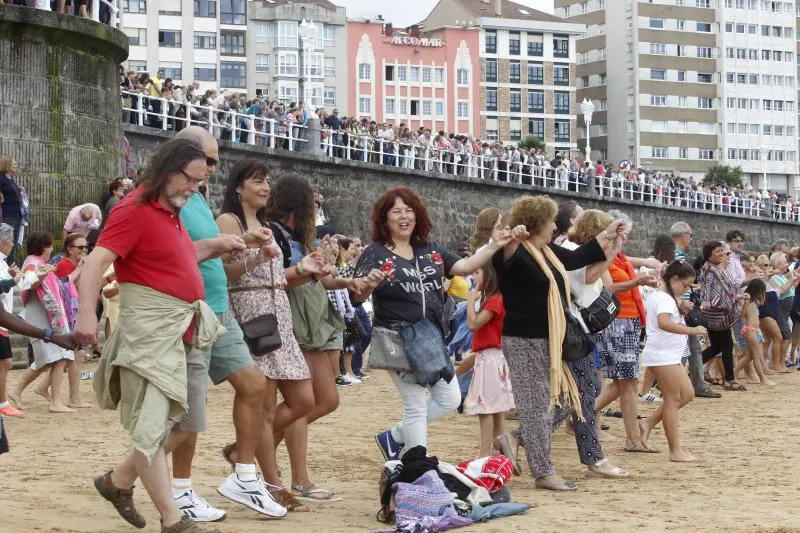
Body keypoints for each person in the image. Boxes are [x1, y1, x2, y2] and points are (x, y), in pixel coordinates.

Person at [74, 137, 249, 533]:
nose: (195, 189)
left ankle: (118, 481)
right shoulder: (133, 209)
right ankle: (174, 520)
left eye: (200, 183)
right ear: (169, 170)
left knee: (185, 425)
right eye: (191, 180)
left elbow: (184, 254)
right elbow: (96, 260)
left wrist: (222, 245)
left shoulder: (172, 210)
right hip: (151, 335)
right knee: (151, 427)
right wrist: (87, 315)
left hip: (185, 330)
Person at [173, 129, 286, 522]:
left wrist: (246, 246)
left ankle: (243, 474)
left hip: (219, 309)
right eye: (206, 159)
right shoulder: (168, 199)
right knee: (190, 410)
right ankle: (180, 489)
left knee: (254, 387)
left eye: (215, 162)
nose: (210, 168)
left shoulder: (198, 199)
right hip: (191, 309)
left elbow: (218, 261)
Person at [354, 187, 513, 462]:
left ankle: (395, 437)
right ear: (385, 218)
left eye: (409, 210)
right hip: (397, 337)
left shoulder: (431, 250)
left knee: (450, 398)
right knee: (415, 404)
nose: (404, 216)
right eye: (396, 211)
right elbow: (356, 296)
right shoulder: (375, 253)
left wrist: (493, 245)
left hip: (430, 338)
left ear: (418, 215)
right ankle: (418, 465)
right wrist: (368, 287)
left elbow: (464, 266)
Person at [491, 195, 625, 491]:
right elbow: (502, 255)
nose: (556, 226)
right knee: (535, 406)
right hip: (523, 339)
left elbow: (579, 258)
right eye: (551, 221)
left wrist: (609, 236)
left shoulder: (546, 251)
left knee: (572, 395)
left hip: (550, 337)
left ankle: (516, 440)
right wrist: (511, 237)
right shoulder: (516, 251)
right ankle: (543, 472)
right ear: (538, 223)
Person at [216, 159, 328, 510]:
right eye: (257, 181)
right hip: (250, 312)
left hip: (277, 308)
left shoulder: (264, 222)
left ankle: (241, 450)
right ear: (238, 187)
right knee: (264, 406)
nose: (265, 187)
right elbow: (222, 271)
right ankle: (272, 484)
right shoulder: (228, 221)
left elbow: (274, 272)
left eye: (266, 182)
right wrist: (254, 258)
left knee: (303, 400)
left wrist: (303, 270)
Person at [267, 173, 378, 503]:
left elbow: (321, 280)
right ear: (297, 203)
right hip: (298, 318)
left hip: (314, 315)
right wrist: (310, 271)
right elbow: (278, 280)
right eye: (312, 204)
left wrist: (347, 283)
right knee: (303, 403)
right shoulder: (275, 234)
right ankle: (298, 478)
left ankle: (254, 442)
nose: (317, 211)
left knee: (326, 399)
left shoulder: (297, 237)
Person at [594, 212, 657, 453]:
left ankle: (582, 415)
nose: (626, 240)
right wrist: (638, 282)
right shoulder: (605, 257)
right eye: (623, 235)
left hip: (628, 320)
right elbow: (609, 286)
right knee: (627, 382)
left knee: (625, 382)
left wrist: (641, 279)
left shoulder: (618, 257)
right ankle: (631, 439)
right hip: (618, 321)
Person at [639, 261, 704, 462]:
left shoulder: (665, 296)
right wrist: (692, 330)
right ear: (674, 279)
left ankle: (648, 423)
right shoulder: (664, 298)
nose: (686, 290)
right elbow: (663, 323)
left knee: (686, 394)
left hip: (668, 354)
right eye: (685, 285)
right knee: (674, 399)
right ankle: (675, 450)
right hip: (663, 355)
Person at [0, 223, 54, 417]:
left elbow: (21, 283)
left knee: (5, 362)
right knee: (5, 362)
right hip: (2, 319)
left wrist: (36, 275)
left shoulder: (4, 262)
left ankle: (3, 402)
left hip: (4, 319)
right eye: (11, 241)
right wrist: (12, 281)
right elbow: (11, 284)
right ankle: (3, 403)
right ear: (3, 242)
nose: (13, 245)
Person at [464, 263, 514, 458]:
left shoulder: (494, 300)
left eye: (477, 273)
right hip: (495, 357)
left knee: (485, 408)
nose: (474, 277)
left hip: (490, 358)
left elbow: (473, 324)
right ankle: (503, 448)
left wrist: (469, 301)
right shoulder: (497, 298)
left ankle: (485, 454)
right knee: (497, 408)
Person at [670, 222, 719, 398]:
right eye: (690, 235)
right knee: (686, 348)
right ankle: (693, 384)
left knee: (691, 347)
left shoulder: (676, 254)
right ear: (683, 234)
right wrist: (681, 301)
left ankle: (696, 384)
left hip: (682, 305)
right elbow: (672, 280)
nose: (691, 239)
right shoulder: (676, 254)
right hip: (682, 306)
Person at [699, 241, 746, 391]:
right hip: (718, 313)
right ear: (709, 255)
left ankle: (694, 368)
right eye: (718, 251)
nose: (721, 254)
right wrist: (706, 301)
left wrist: (737, 297)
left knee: (717, 346)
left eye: (722, 251)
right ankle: (729, 380)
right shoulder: (711, 269)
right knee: (726, 345)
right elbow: (708, 288)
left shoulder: (711, 268)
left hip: (715, 312)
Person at [733, 279, 774, 386]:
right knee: (756, 356)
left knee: (750, 356)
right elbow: (742, 314)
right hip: (750, 330)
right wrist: (745, 302)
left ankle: (732, 374)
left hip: (755, 330)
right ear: (757, 290)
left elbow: (763, 301)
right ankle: (763, 379)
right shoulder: (746, 298)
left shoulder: (755, 299)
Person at [0, 155, 26, 264]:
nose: (16, 165)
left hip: (17, 215)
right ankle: (6, 267)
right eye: (14, 163)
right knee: (7, 242)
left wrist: (19, 189)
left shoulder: (10, 178)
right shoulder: (1, 177)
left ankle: (11, 266)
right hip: (8, 215)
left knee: (13, 244)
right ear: (7, 165)